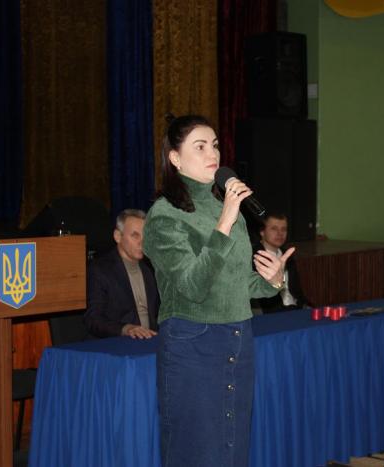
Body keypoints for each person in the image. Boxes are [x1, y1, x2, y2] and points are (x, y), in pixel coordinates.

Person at [143, 114, 293, 467]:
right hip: (193, 341)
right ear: (175, 158)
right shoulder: (164, 216)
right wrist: (224, 221)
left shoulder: (228, 209)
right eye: (200, 147)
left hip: (238, 337)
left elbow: (236, 284)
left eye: (214, 145)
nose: (212, 154)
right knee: (197, 450)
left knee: (232, 447)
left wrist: (272, 281)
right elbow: (193, 286)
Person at [84, 209, 159, 339]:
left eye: (145, 236)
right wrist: (125, 329)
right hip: (120, 343)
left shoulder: (151, 268)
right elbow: (93, 319)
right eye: (135, 236)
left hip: (152, 340)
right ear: (118, 236)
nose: (142, 242)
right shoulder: (100, 270)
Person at [252, 213, 311, 313]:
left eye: (284, 229)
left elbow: (297, 290)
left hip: (296, 308)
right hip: (271, 312)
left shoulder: (287, 254)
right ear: (262, 231)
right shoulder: (254, 256)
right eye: (274, 228)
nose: (280, 233)